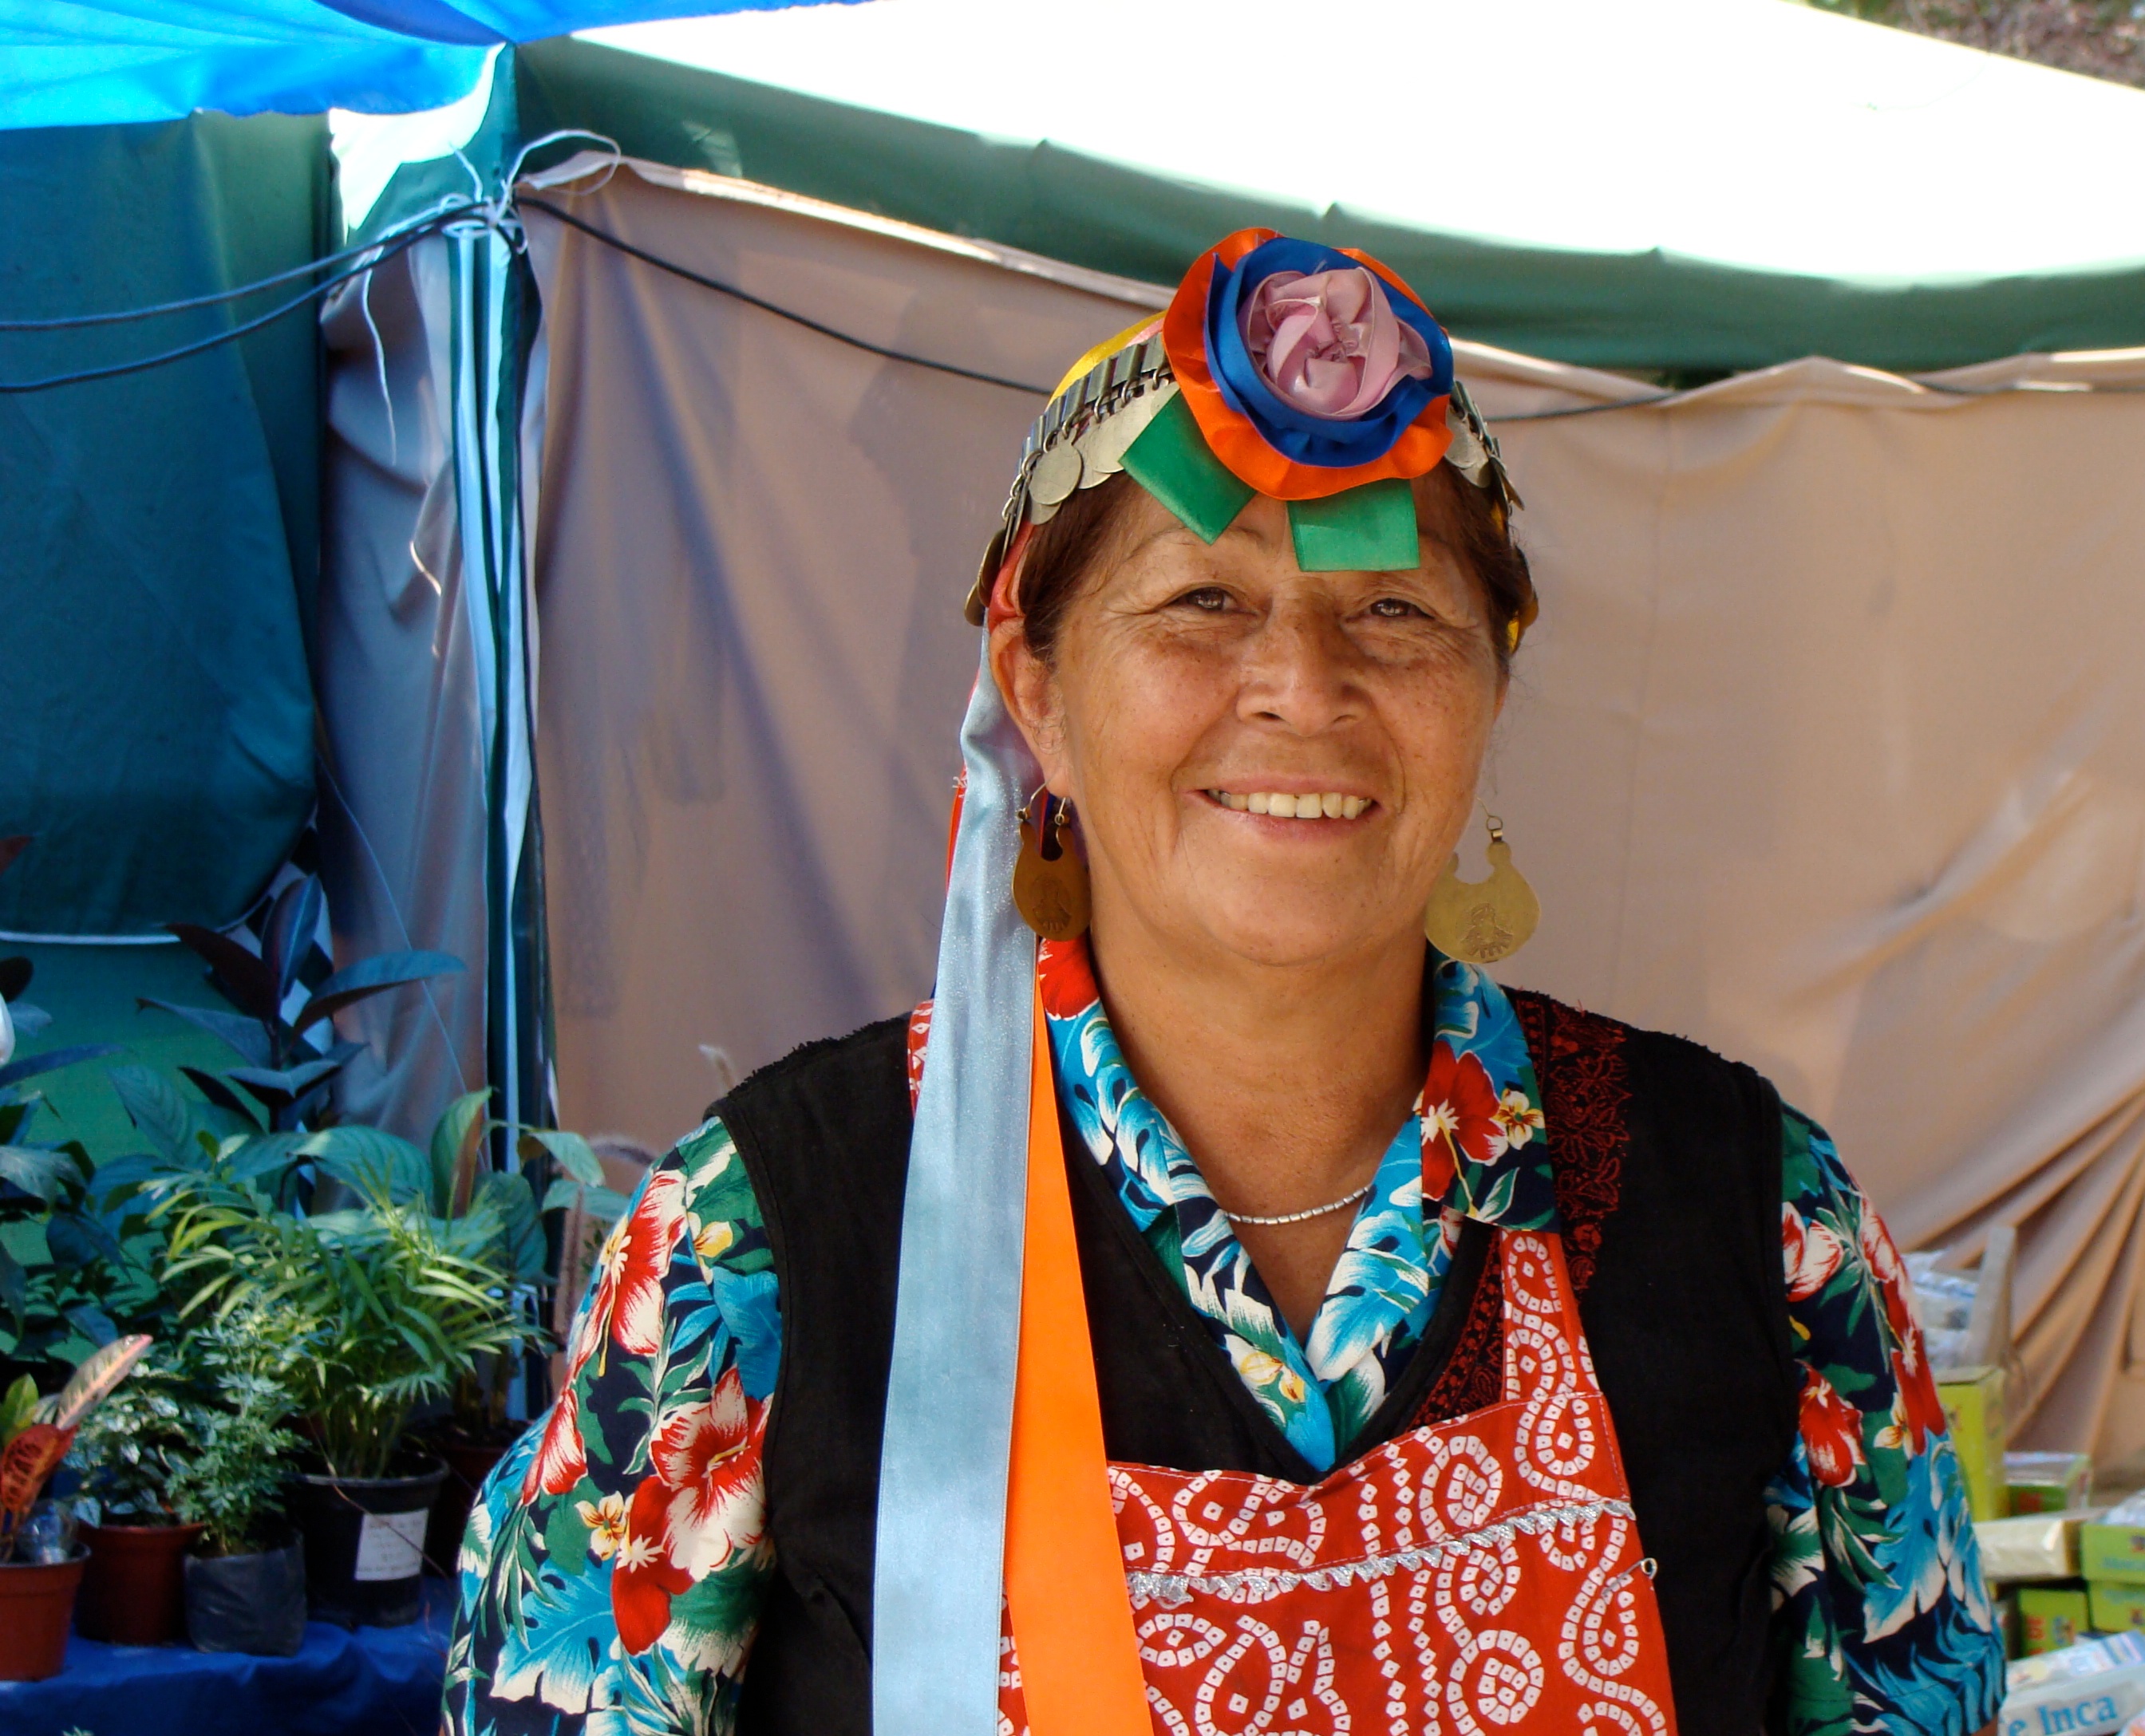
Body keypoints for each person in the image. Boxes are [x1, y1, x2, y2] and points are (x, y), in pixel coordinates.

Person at [443, 230, 2002, 1736]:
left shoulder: (1756, 1216)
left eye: (1393, 608)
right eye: (1204, 601)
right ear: (1038, 690)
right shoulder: (759, 1247)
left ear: (1491, 683)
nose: (1304, 689)